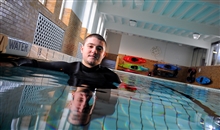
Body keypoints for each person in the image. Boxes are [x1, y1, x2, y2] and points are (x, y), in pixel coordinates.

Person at [0, 34, 122, 88]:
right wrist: (13, 63)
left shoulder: (111, 77)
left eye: (99, 48)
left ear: (103, 54)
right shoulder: (68, 68)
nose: (94, 51)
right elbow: (34, 63)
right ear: (82, 49)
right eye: (90, 46)